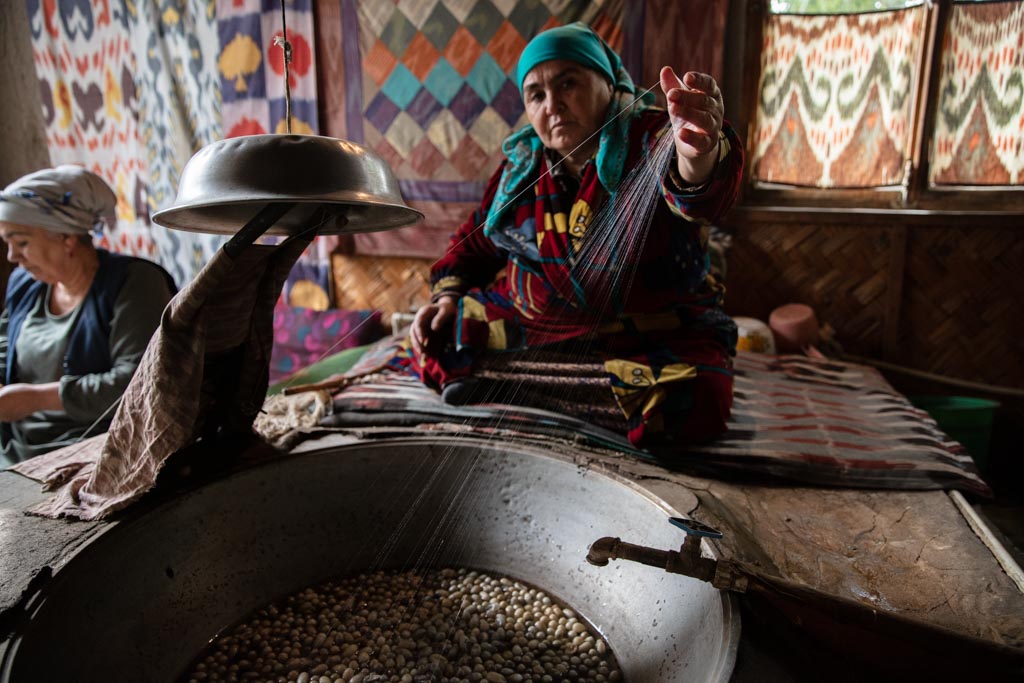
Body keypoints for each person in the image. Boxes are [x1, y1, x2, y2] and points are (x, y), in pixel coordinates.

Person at [405, 22, 743, 448]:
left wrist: (700, 152)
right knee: (436, 336)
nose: (553, 105)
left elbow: (696, 187)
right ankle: (592, 401)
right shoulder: (521, 167)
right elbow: (474, 242)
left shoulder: (654, 137)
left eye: (569, 84)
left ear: (608, 82)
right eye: (536, 95)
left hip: (646, 334)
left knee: (696, 397)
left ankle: (520, 392)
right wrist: (446, 297)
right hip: (541, 332)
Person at [0, 165, 176, 466]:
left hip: (97, 451)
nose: (12, 257)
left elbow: (138, 384)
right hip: (17, 449)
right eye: (8, 244)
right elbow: (5, 344)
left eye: (22, 243)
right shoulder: (25, 283)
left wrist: (36, 399)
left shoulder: (134, 283)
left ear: (66, 237)